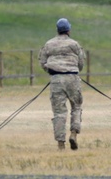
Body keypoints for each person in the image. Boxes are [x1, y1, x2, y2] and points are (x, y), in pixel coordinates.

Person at [39, 18, 86, 150]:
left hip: (56, 79)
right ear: (69, 30)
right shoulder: (75, 44)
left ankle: (61, 144)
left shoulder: (48, 44)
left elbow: (43, 62)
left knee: (59, 112)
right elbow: (81, 63)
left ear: (57, 30)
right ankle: (73, 134)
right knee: (76, 107)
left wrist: (52, 71)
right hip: (72, 78)